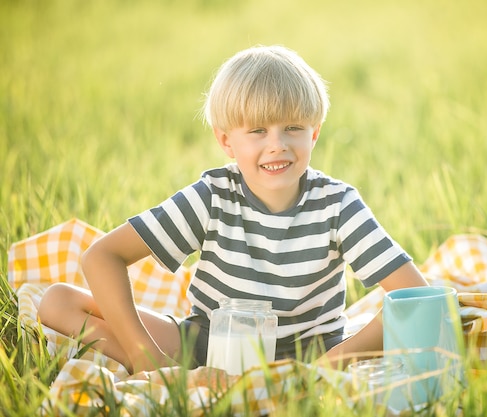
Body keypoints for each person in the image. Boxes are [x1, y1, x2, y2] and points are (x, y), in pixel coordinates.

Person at [37, 45, 428, 375]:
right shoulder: (213, 196)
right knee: (58, 301)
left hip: (308, 356)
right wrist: (147, 359)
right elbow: (102, 256)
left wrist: (323, 370)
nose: (277, 145)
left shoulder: (338, 204)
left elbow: (415, 294)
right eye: (257, 131)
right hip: (208, 348)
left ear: (315, 131)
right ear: (226, 141)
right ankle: (174, 376)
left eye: (293, 127)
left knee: (421, 320)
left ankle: (261, 382)